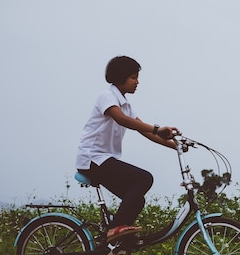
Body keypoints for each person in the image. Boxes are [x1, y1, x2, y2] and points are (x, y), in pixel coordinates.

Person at [75, 56, 179, 243]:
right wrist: (157, 128)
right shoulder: (106, 97)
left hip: (104, 160)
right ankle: (114, 232)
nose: (137, 82)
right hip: (92, 159)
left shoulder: (126, 104)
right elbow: (122, 120)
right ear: (120, 77)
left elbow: (143, 130)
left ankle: (114, 246)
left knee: (137, 199)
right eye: (133, 77)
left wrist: (175, 146)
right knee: (144, 178)